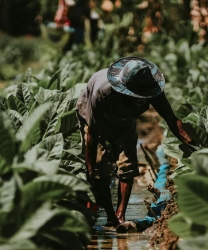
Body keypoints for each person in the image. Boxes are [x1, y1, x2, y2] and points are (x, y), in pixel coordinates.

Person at [75, 57, 192, 227]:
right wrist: (91, 171)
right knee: (100, 166)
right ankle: (110, 216)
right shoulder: (103, 92)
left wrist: (193, 147)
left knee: (127, 163)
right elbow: (92, 135)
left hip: (124, 119)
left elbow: (172, 120)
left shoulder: (152, 89)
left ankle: (120, 214)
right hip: (94, 117)